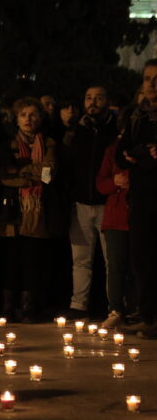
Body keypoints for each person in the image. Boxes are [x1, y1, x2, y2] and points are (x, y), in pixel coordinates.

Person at [0, 96, 56, 322]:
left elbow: (48, 174)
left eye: (33, 114)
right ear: (16, 119)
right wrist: (25, 179)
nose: (29, 119)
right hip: (12, 211)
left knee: (32, 260)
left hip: (36, 212)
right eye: (24, 115)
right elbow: (0, 176)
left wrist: (21, 171)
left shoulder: (48, 143)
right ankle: (8, 307)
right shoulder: (6, 145)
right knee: (10, 260)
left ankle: (28, 307)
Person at [63, 86, 118, 321]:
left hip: (107, 203)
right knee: (81, 259)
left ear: (107, 101)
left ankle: (114, 307)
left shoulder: (115, 131)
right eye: (88, 98)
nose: (92, 102)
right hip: (81, 203)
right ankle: (79, 305)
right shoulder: (77, 131)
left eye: (98, 98)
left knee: (111, 260)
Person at [118, 59, 157, 338]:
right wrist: (133, 153)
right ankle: (148, 315)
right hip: (142, 196)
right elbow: (123, 147)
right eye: (147, 79)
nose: (151, 85)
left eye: (156, 79)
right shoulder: (136, 115)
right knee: (142, 256)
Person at [95, 139, 131, 330]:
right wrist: (114, 182)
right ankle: (116, 310)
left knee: (140, 267)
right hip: (116, 218)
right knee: (115, 265)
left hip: (141, 216)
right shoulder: (113, 150)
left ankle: (138, 311)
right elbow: (100, 183)